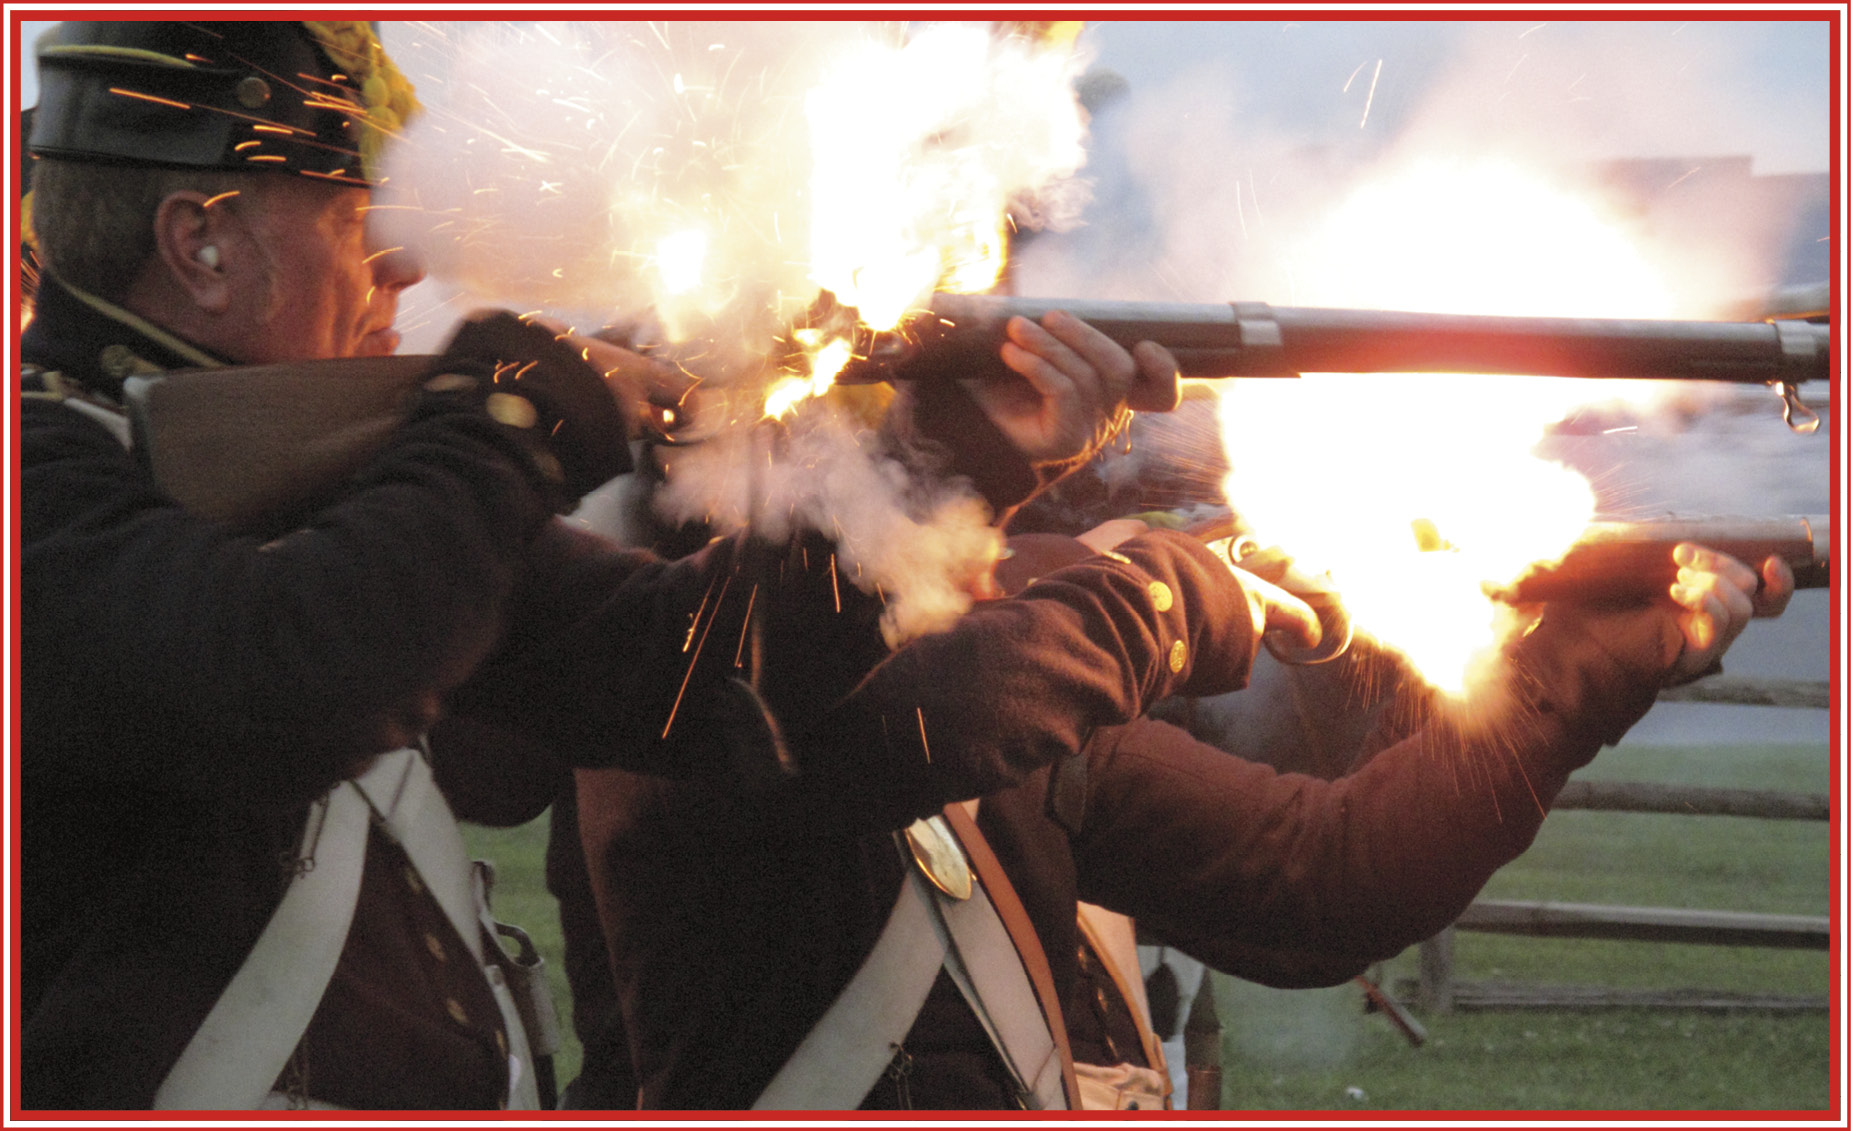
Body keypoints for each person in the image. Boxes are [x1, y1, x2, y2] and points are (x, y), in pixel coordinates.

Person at [19, 20, 1316, 1111]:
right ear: (203, 243)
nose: (397, 264)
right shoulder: (41, 485)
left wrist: (966, 450)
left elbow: (699, 679)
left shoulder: (336, 503)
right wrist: (510, 413)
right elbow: (287, 680)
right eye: (357, 220)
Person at [574, 475, 1792, 1107]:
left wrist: (1587, 666)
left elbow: (1320, 881)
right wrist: (1156, 596)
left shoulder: (1010, 691)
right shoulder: (673, 698)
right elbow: (852, 704)